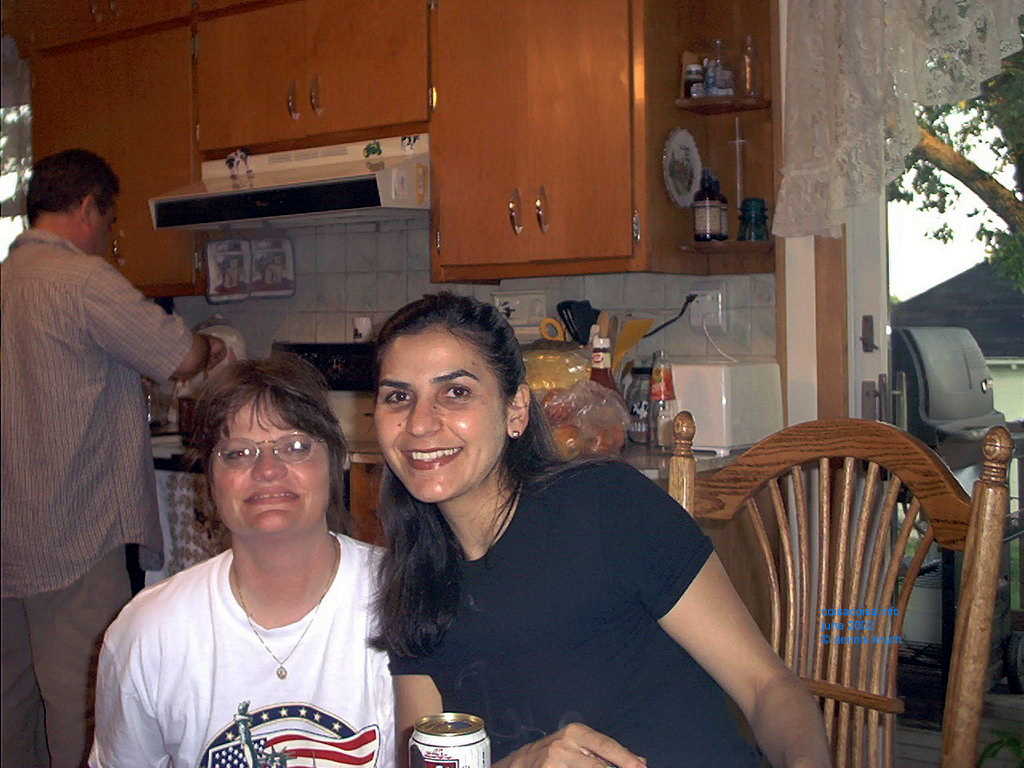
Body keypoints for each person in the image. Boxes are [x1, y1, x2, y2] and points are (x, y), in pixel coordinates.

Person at [371, 293, 831, 768]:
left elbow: (766, 687)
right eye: (398, 396)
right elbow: (424, 759)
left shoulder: (605, 507)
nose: (420, 424)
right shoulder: (414, 577)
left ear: (516, 412)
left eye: (456, 392)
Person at [1, 148, 227, 768]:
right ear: (86, 207)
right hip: (69, 530)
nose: (108, 235)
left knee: (11, 700)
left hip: (8, 533)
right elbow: (178, 355)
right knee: (82, 700)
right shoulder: (81, 280)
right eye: (108, 219)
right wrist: (214, 344)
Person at [88, 356, 395, 767]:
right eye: (238, 453)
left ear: (337, 457)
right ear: (209, 475)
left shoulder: (404, 597)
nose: (267, 469)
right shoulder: (149, 632)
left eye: (296, 446)